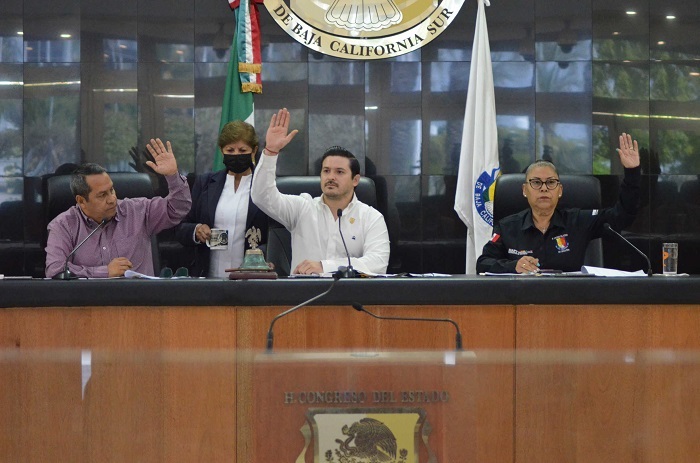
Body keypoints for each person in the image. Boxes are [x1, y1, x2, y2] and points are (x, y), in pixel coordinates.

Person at [251, 108, 390, 275]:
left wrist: (325, 267)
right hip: (303, 291)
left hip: (350, 291)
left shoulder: (371, 217)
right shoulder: (302, 208)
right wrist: (270, 152)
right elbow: (261, 196)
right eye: (326, 171)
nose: (331, 177)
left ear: (355, 180)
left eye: (339, 172)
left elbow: (378, 263)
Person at [476, 133, 641, 274]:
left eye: (551, 182)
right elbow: (483, 263)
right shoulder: (507, 227)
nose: (544, 188)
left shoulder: (578, 221)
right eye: (536, 182)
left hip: (569, 297)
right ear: (525, 190)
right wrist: (514, 266)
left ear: (560, 190)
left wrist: (632, 173)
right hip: (523, 298)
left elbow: (622, 216)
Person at [45, 139, 192, 278]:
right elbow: (55, 270)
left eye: (112, 190)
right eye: (102, 195)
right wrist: (105, 272)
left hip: (139, 295)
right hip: (90, 297)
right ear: (81, 201)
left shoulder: (138, 211)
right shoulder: (63, 225)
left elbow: (178, 209)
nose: (112, 199)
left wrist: (172, 176)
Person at [173, 120, 270, 278]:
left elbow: (277, 236)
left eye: (242, 150)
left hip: (252, 278)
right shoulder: (205, 183)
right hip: (208, 278)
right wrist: (196, 230)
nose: (236, 155)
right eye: (230, 150)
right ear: (221, 150)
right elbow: (181, 227)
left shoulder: (265, 186)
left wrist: (263, 256)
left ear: (254, 151)